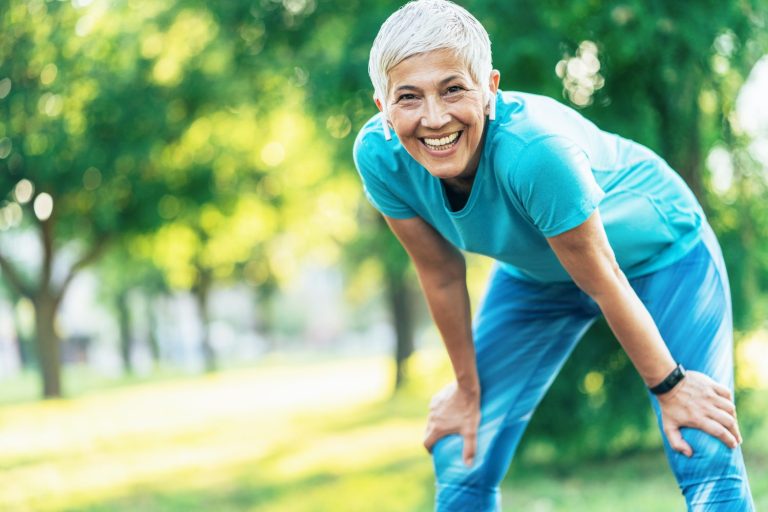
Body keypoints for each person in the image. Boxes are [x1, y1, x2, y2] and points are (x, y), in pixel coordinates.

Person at [352, 0, 755, 510]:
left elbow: (603, 276)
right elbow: (441, 274)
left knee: (700, 438)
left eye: (453, 88)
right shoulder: (379, 158)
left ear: (490, 88)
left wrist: (671, 385)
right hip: (540, 275)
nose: (434, 118)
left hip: (661, 254)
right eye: (408, 97)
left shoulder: (534, 150)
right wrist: (466, 390)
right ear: (382, 104)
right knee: (462, 445)